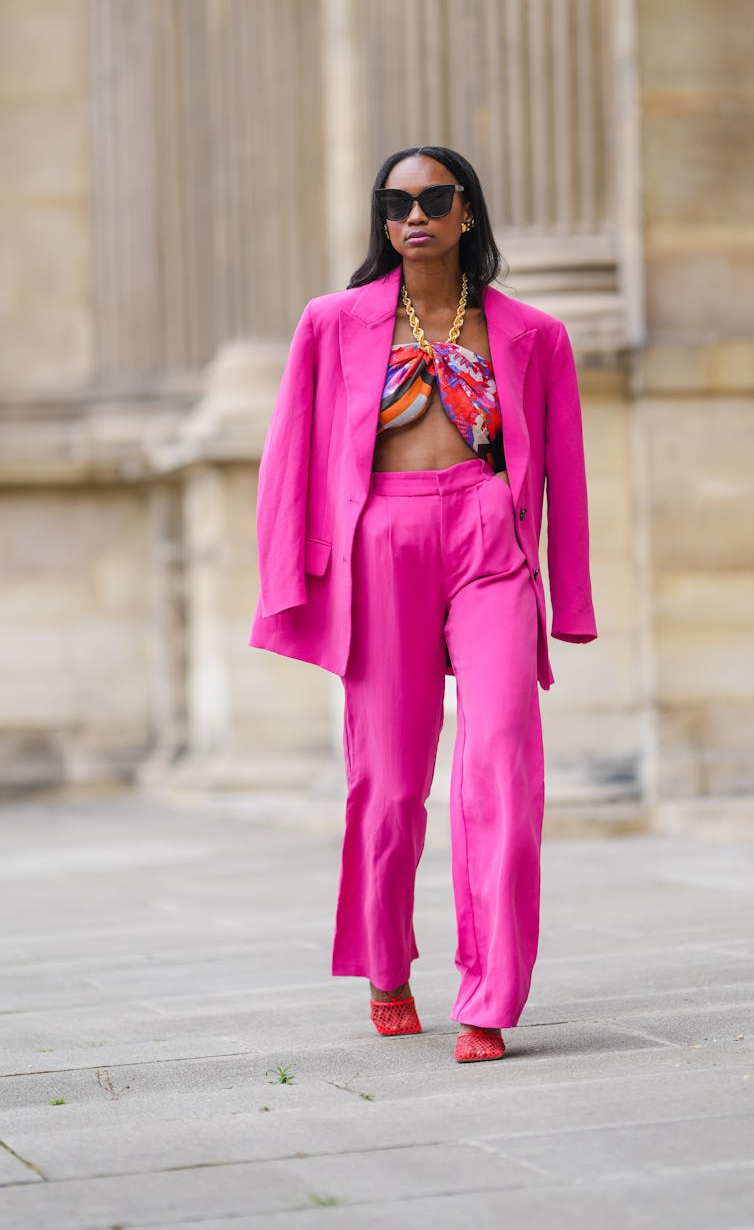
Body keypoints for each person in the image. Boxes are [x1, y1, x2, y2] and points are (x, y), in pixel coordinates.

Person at [251, 145, 596, 1063]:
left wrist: (573, 598)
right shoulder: (331, 324)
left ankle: (489, 995)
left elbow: (564, 474)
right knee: (393, 783)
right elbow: (288, 458)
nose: (415, 214)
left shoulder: (532, 335)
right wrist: (289, 577)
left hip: (489, 538)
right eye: (397, 201)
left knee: (505, 761)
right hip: (382, 545)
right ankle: (386, 961)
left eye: (435, 198)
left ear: (466, 213)